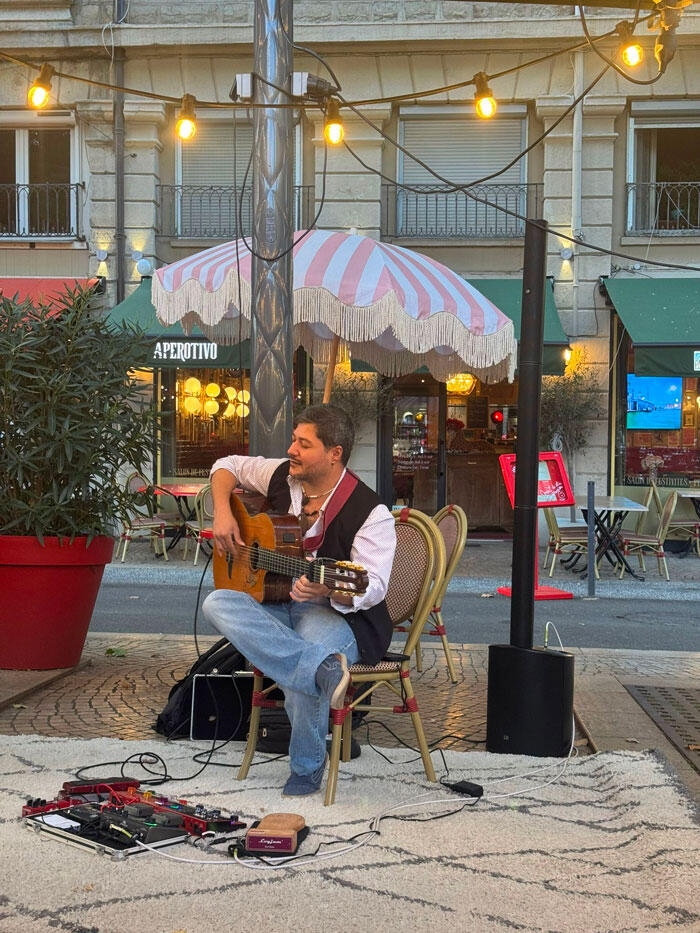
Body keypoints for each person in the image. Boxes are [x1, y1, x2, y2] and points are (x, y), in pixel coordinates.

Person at [201, 404, 397, 797]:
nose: (291, 449)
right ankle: (322, 670)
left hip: (330, 613)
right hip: (272, 600)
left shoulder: (370, 511)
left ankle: (306, 768)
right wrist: (223, 513)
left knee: (308, 655)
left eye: (303, 444)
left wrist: (328, 588)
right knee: (217, 603)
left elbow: (372, 585)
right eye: (293, 439)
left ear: (334, 453)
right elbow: (226, 465)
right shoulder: (281, 476)